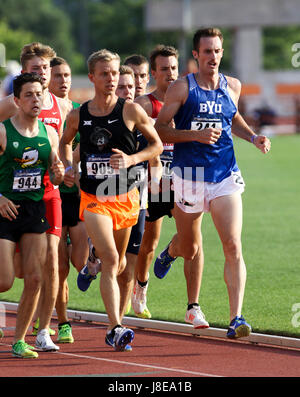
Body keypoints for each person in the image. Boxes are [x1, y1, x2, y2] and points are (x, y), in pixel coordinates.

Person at [154, 28, 271, 339]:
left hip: (224, 175)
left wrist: (253, 137)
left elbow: (232, 119)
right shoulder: (181, 88)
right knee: (189, 246)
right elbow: (160, 129)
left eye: (217, 51)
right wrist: (194, 135)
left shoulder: (232, 86)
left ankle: (236, 317)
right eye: (207, 51)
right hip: (189, 175)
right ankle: (171, 250)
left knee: (232, 244)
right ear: (196, 55)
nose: (213, 56)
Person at [59, 49, 163, 351]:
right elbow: (66, 143)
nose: (111, 78)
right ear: (92, 77)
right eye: (104, 73)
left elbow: (155, 145)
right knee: (113, 260)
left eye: (114, 72)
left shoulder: (130, 111)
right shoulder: (80, 115)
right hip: (93, 199)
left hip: (127, 198)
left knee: (117, 269)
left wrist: (132, 159)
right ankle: (115, 327)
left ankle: (112, 319)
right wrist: (69, 168)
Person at [0, 42, 69, 350]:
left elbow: (55, 171)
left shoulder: (49, 133)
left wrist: (58, 173)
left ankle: (19, 341)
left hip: (34, 208)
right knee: (4, 280)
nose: (35, 99)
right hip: (4, 208)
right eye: (28, 95)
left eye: (38, 94)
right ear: (16, 100)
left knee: (36, 277)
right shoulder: (3, 130)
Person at [131, 45, 208, 325]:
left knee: (193, 243)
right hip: (153, 183)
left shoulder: (191, 101)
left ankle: (193, 305)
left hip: (186, 178)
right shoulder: (144, 104)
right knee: (147, 245)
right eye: (164, 69)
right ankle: (141, 285)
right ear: (153, 73)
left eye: (174, 68)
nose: (170, 73)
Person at [49, 56, 89, 344]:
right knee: (59, 268)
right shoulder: (44, 112)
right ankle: (63, 322)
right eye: (58, 76)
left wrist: (74, 166)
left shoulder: (80, 111)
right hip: (54, 196)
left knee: (80, 263)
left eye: (67, 75)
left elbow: (87, 146)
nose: (64, 80)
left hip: (78, 194)